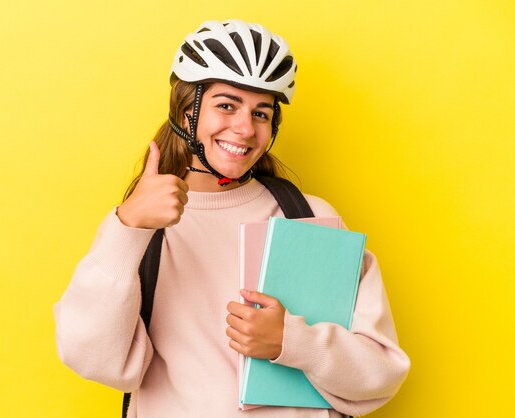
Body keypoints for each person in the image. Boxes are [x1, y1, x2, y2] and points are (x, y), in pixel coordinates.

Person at [54, 19, 410, 418]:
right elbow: (93, 359)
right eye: (226, 105)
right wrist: (128, 227)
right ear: (185, 111)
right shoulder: (138, 226)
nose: (244, 128)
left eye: (261, 113)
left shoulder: (309, 217)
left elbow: (381, 373)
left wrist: (290, 342)